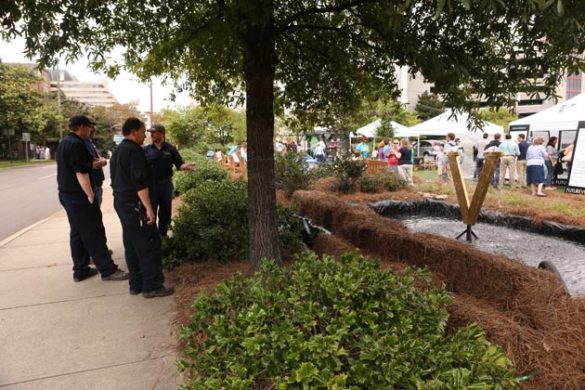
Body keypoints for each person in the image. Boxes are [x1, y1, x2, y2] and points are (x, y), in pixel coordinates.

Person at [57, 115, 128, 283]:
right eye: (89, 127)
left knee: (77, 232)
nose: (91, 130)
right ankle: (108, 270)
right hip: (79, 196)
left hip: (67, 194)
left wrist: (90, 165)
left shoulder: (64, 142)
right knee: (93, 231)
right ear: (81, 127)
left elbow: (76, 166)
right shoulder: (76, 144)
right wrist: (89, 195)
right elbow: (80, 172)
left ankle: (81, 269)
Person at [110, 117, 174, 298]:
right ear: (134, 131)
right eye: (143, 131)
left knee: (131, 244)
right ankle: (152, 285)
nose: (145, 136)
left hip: (122, 203)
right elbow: (140, 183)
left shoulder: (119, 150)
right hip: (135, 205)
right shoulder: (134, 151)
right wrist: (148, 208)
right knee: (148, 244)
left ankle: (136, 284)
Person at [144, 124, 194, 237]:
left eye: (154, 132)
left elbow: (179, 164)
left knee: (165, 214)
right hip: (151, 186)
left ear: (162, 133)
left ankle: (163, 238)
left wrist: (185, 166)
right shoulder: (146, 150)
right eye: (150, 132)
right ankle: (152, 239)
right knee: (150, 213)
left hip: (166, 185)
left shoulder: (171, 149)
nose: (151, 135)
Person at [85, 124, 108, 207]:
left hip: (97, 184)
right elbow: (95, 164)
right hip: (92, 184)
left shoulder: (90, 143)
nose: (94, 130)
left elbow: (100, 159)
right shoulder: (84, 144)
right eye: (92, 128)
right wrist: (101, 161)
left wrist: (102, 161)